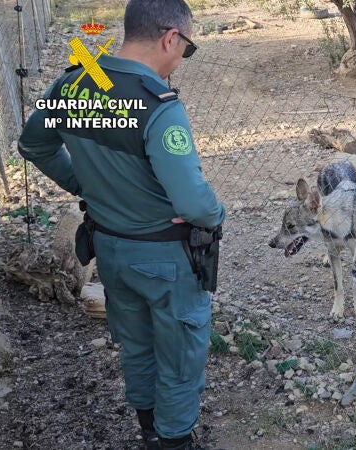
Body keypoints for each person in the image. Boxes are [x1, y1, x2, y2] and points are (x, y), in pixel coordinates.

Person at [17, 0, 225, 448]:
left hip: (109, 250)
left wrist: (87, 185)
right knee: (181, 355)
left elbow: (33, 145)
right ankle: (172, 441)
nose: (180, 61)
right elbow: (195, 203)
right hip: (166, 258)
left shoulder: (72, 84)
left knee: (136, 347)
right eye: (186, 50)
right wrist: (215, 213)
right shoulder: (159, 105)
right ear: (171, 37)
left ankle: (149, 429)